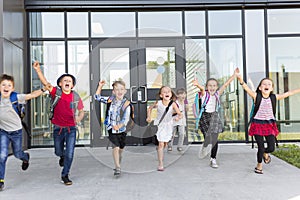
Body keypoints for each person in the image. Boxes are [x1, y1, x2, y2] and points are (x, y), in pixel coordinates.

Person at [236, 69, 300, 174]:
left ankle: (266, 154)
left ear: (272, 88)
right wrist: (240, 79)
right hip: (257, 124)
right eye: (264, 84)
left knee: (271, 147)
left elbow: (289, 93)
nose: (266, 85)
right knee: (260, 147)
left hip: (269, 125)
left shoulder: (274, 97)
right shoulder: (257, 96)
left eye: (269, 84)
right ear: (260, 88)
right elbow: (246, 88)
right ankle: (259, 166)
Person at [33, 61, 84, 185]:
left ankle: (65, 174)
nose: (67, 82)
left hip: (71, 129)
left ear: (72, 85)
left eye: (69, 81)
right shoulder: (57, 92)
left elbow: (81, 111)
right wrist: (38, 70)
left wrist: (79, 118)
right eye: (64, 80)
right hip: (58, 128)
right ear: (60, 84)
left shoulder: (75, 97)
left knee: (70, 153)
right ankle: (61, 156)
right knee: (58, 151)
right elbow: (45, 83)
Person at [0, 74, 46, 191]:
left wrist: (43, 89)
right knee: (2, 156)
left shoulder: (16, 97)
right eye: (3, 85)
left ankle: (25, 157)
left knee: (17, 153)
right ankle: (1, 181)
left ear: (13, 88)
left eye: (9, 85)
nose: (6, 87)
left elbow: (32, 95)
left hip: (16, 132)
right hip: (3, 131)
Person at [193, 68, 238, 168]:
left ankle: (213, 158)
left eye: (214, 85)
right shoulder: (205, 94)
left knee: (214, 140)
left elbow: (226, 84)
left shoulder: (217, 94)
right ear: (206, 87)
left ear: (217, 87)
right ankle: (205, 146)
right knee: (207, 138)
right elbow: (201, 89)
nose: (212, 87)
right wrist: (197, 84)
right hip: (205, 117)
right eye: (210, 86)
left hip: (214, 117)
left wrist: (234, 75)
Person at [94, 79, 131, 177]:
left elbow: (126, 119)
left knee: (121, 148)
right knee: (116, 146)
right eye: (117, 89)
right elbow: (97, 97)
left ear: (125, 91)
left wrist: (119, 125)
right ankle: (117, 167)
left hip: (122, 129)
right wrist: (100, 86)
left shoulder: (126, 104)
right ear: (113, 92)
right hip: (111, 128)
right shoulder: (110, 100)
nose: (119, 91)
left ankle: (119, 157)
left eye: (121, 89)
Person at [146, 86, 182, 171]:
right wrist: (149, 117)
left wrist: (178, 117)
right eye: (164, 92)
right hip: (160, 125)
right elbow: (149, 108)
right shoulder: (158, 103)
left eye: (168, 91)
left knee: (165, 143)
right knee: (161, 144)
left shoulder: (172, 104)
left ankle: (159, 148)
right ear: (161, 95)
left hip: (169, 125)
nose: (167, 93)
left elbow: (180, 114)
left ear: (171, 94)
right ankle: (160, 164)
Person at [168, 88, 189, 152]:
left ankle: (179, 146)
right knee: (172, 134)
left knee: (182, 133)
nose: (183, 95)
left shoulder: (185, 101)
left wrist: (186, 103)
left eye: (184, 94)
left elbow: (187, 110)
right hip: (174, 119)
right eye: (181, 94)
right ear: (177, 95)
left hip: (181, 120)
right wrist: (178, 113)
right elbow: (171, 111)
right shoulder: (174, 102)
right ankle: (169, 145)